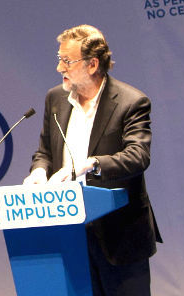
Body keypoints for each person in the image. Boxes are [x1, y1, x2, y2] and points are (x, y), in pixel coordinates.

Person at [23, 24, 161, 296]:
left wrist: (91, 164)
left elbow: (138, 156)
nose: (59, 68)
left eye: (66, 61)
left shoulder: (131, 102)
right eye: (59, 59)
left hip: (119, 236)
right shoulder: (55, 99)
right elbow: (45, 152)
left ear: (92, 64)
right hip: (70, 233)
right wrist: (39, 171)